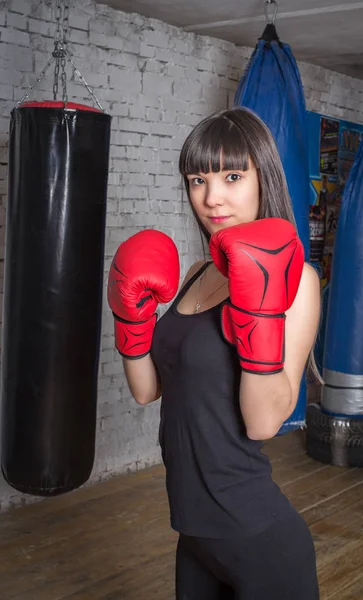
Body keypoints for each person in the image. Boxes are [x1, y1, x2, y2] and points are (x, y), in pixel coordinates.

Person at [108, 107, 321, 599]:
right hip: (194, 533)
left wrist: (260, 312)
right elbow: (147, 391)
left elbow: (265, 424)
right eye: (197, 179)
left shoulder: (297, 281)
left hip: (256, 534)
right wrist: (129, 319)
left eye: (231, 175)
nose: (211, 197)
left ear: (262, 177)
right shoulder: (198, 274)